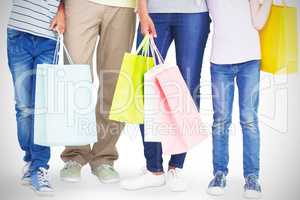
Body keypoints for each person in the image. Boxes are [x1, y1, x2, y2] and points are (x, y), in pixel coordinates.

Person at [120, 0, 210, 192]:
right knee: (146, 86)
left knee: (188, 88)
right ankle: (154, 169)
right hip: (155, 11)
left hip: (194, 13)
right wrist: (143, 12)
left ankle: (176, 167)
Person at [59, 0, 136, 184]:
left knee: (115, 81)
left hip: (124, 5)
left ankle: (104, 157)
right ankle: (74, 153)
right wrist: (60, 6)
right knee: (75, 77)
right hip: (79, 4)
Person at [206, 0, 271, 199]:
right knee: (220, 121)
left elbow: (258, 23)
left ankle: (252, 177)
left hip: (249, 59)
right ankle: (219, 173)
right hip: (220, 61)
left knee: (249, 120)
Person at [7, 0, 65, 195]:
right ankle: (30, 159)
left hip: (49, 37)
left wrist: (62, 10)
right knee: (24, 107)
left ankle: (40, 166)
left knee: (42, 108)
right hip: (19, 32)